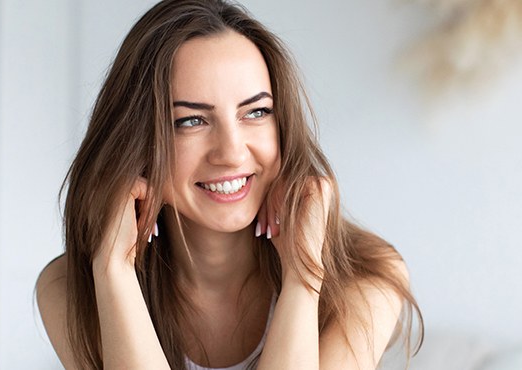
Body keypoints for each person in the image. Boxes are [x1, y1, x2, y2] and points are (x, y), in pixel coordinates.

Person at [36, 0, 424, 369]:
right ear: (136, 141)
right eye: (190, 121)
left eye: (256, 112)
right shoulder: (72, 287)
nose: (232, 153)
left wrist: (303, 281)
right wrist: (114, 273)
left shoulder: (367, 276)